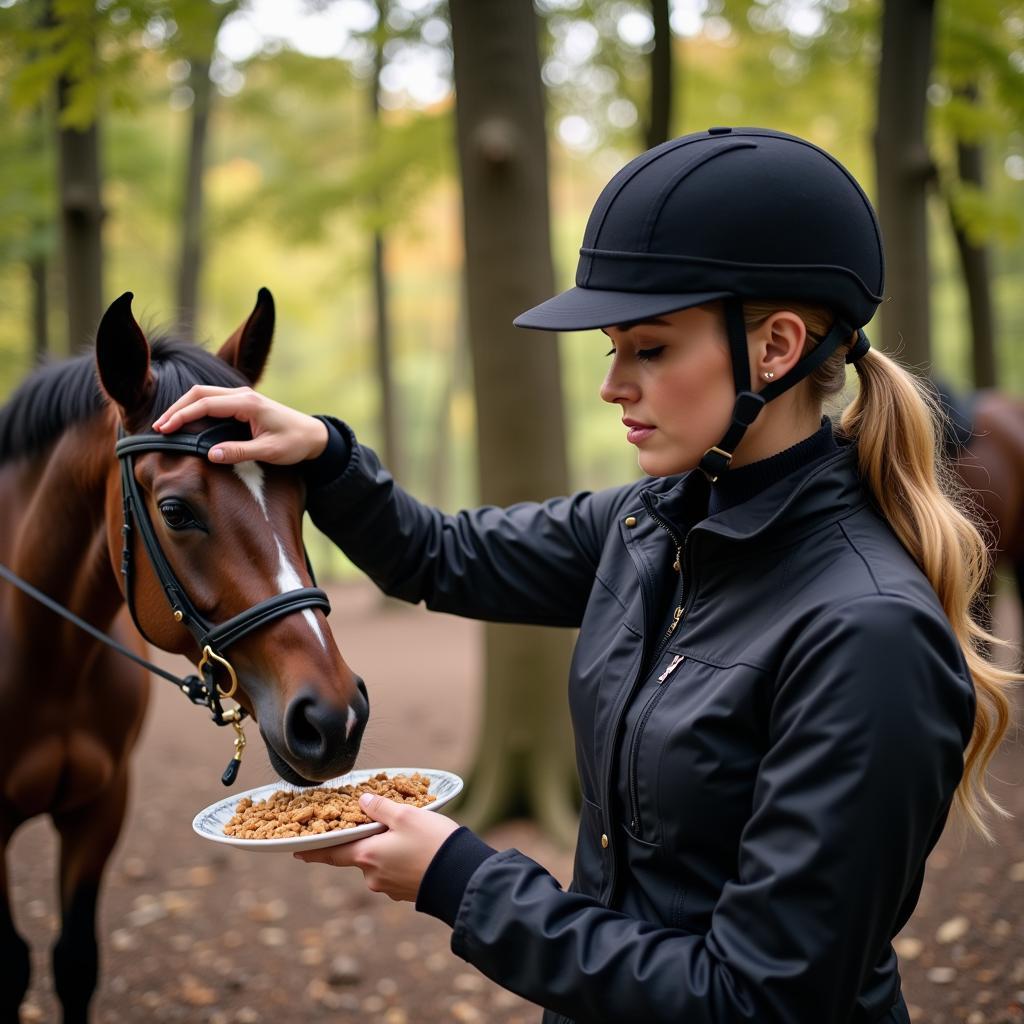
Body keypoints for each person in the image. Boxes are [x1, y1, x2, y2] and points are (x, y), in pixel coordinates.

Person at [152, 127, 1015, 1024]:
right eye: (612, 348)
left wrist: (463, 882)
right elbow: (439, 555)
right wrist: (326, 454)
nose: (613, 386)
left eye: (649, 349)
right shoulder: (652, 523)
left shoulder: (866, 633)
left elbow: (760, 1001)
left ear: (777, 348)